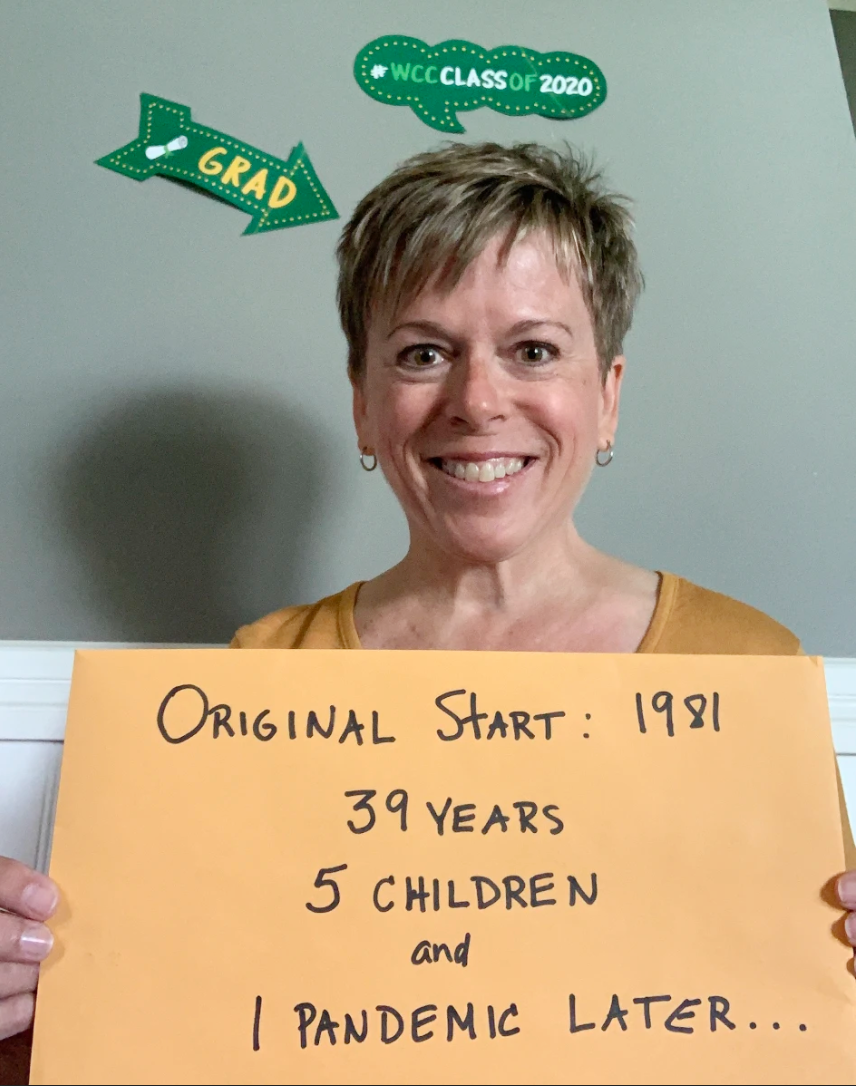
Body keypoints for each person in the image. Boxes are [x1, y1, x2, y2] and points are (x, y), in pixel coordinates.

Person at [1, 142, 854, 1077]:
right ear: (365, 406)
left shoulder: (751, 670)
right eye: (422, 353)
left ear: (606, 398)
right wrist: (34, 1006)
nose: (477, 400)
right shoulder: (254, 679)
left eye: (534, 350)